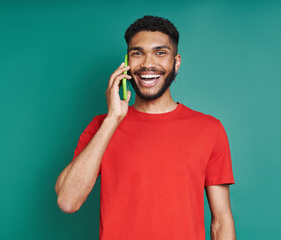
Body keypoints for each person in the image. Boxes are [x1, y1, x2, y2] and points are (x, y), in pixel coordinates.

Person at [55, 15, 236, 240]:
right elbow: (67, 201)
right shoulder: (102, 126)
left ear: (176, 62)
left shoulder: (209, 129)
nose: (148, 63)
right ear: (126, 63)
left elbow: (221, 221)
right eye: (137, 53)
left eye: (160, 52)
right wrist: (113, 119)